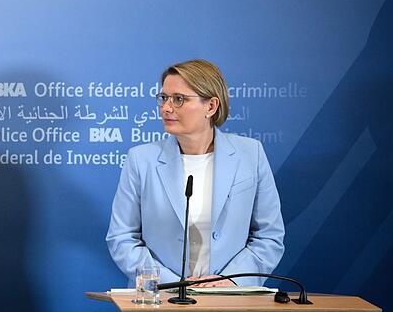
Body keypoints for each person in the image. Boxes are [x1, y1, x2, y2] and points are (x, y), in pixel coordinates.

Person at [106, 59, 284, 287]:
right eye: (163, 98)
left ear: (210, 106)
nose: (166, 107)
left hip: (231, 299)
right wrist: (170, 283)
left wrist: (232, 280)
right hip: (162, 298)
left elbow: (269, 236)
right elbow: (122, 238)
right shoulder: (141, 159)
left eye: (179, 99)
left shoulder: (251, 154)